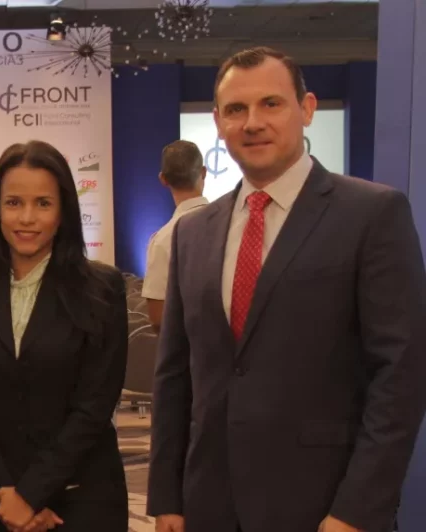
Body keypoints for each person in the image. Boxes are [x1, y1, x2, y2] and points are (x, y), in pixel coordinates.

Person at [147, 46, 426, 532]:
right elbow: (175, 376)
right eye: (236, 109)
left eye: (271, 104)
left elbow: (401, 375)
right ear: (218, 122)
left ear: (307, 108)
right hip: (209, 503)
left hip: (325, 505)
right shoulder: (192, 234)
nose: (253, 122)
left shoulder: (372, 215)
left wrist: (357, 510)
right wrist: (167, 497)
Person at [0, 140, 128, 532]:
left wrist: (31, 495)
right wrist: (7, 493)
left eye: (43, 203)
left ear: (63, 212)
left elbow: (94, 407)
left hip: (81, 497)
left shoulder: (102, 289)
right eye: (14, 203)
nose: (27, 217)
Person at [141, 140, 208, 331]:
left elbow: (158, 317)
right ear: (203, 172)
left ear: (163, 179)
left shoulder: (163, 240)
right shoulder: (233, 223)